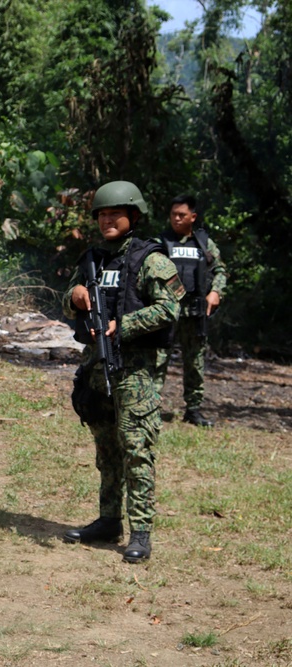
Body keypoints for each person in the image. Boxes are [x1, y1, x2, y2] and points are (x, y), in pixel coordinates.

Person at [63, 181, 184, 563]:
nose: (106, 220)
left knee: (136, 450)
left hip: (135, 372)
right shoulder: (93, 258)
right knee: (106, 449)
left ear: (133, 215)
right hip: (98, 367)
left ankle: (141, 532)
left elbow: (170, 309)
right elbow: (68, 302)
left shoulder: (152, 260)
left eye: (114, 213)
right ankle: (108, 520)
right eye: (101, 214)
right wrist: (75, 297)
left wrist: (123, 324)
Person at [155, 194, 227, 427]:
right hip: (166, 310)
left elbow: (220, 270)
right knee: (158, 358)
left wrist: (215, 292)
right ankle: (152, 405)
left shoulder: (204, 243)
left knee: (194, 361)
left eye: (181, 215)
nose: (176, 219)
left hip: (195, 312)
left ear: (192, 217)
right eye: (173, 214)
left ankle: (193, 410)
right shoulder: (161, 242)